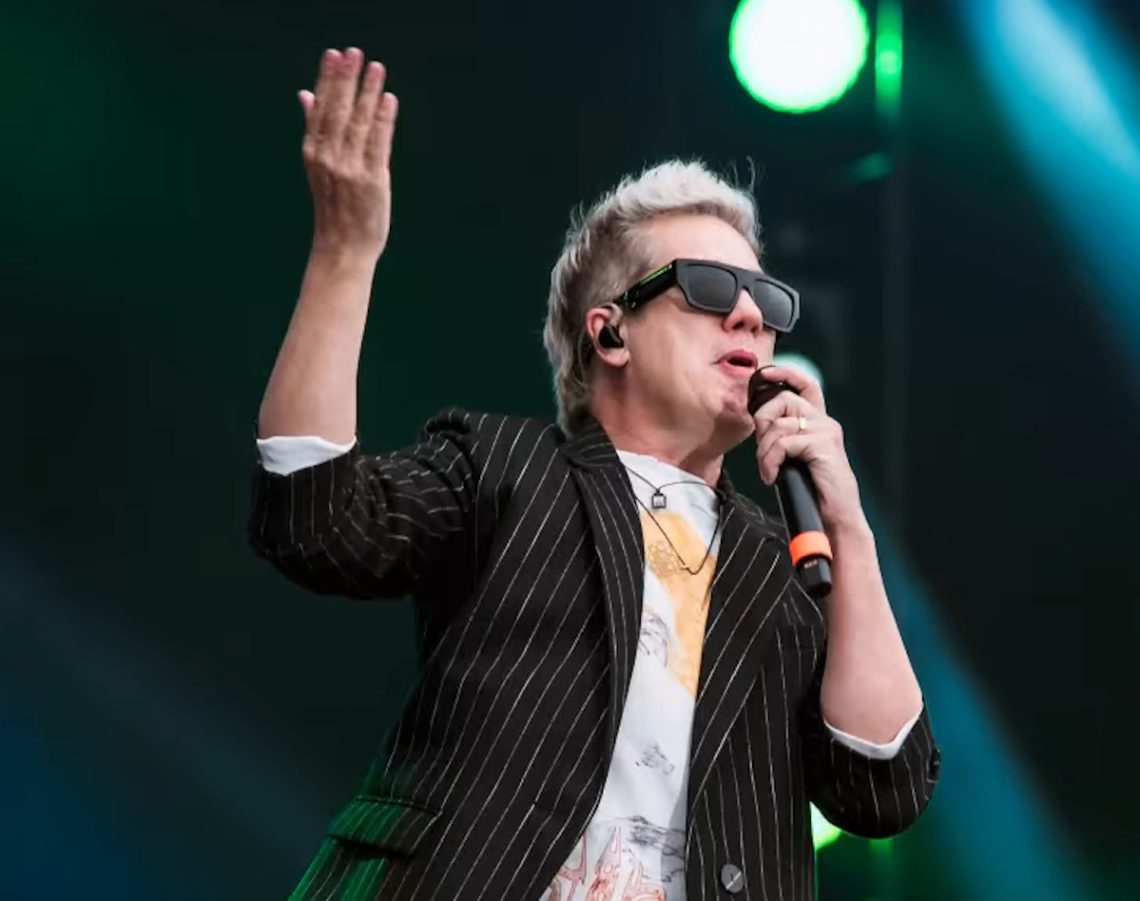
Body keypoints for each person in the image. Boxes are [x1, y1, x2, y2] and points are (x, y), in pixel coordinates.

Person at [250, 46, 940, 901]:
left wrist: (850, 531)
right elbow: (315, 518)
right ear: (610, 332)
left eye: (768, 300)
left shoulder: (787, 565)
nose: (750, 314)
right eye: (711, 285)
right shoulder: (506, 468)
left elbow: (881, 786)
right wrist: (345, 254)